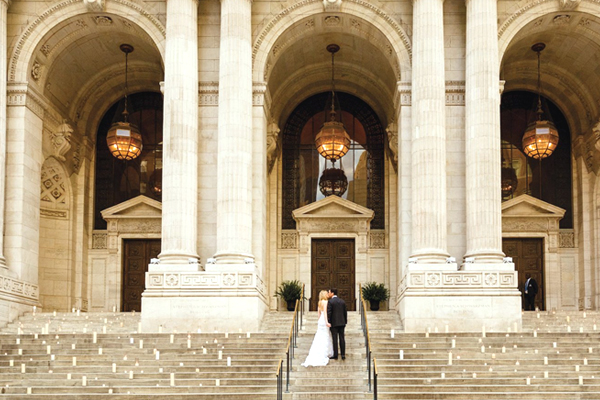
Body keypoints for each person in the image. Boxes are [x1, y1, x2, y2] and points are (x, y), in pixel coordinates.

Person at [301, 290, 334, 367]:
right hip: (324, 320)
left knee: (320, 336)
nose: (327, 294)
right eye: (326, 293)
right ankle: (326, 352)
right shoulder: (325, 302)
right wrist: (326, 322)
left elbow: (319, 313)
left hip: (320, 321)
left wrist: (319, 321)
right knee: (325, 335)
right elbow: (325, 313)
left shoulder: (319, 302)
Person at [327, 288, 347, 360]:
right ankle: (343, 354)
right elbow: (345, 312)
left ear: (332, 293)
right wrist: (345, 321)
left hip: (334, 323)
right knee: (342, 338)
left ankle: (335, 354)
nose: (328, 294)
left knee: (334, 339)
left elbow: (329, 313)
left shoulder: (331, 302)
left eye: (329, 292)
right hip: (342, 322)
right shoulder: (342, 301)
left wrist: (329, 322)